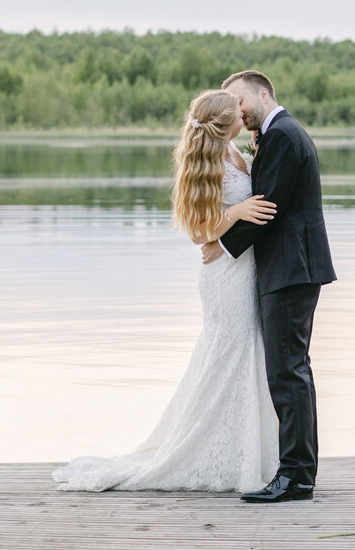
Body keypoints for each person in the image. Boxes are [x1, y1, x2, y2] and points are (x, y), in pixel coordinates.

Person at [52, 90, 280, 492]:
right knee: (228, 356)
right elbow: (198, 233)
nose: (244, 114)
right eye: (237, 111)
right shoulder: (202, 165)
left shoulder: (234, 155)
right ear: (224, 124)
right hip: (224, 279)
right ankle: (205, 450)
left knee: (243, 356)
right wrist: (236, 213)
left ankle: (243, 450)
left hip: (244, 270)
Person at [203, 69, 336, 503]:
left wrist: (220, 245)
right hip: (290, 268)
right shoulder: (280, 133)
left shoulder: (282, 136)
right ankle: (298, 471)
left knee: (288, 372)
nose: (236, 111)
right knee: (293, 370)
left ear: (263, 93)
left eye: (240, 101)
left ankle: (295, 477)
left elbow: (266, 210)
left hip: (290, 269)